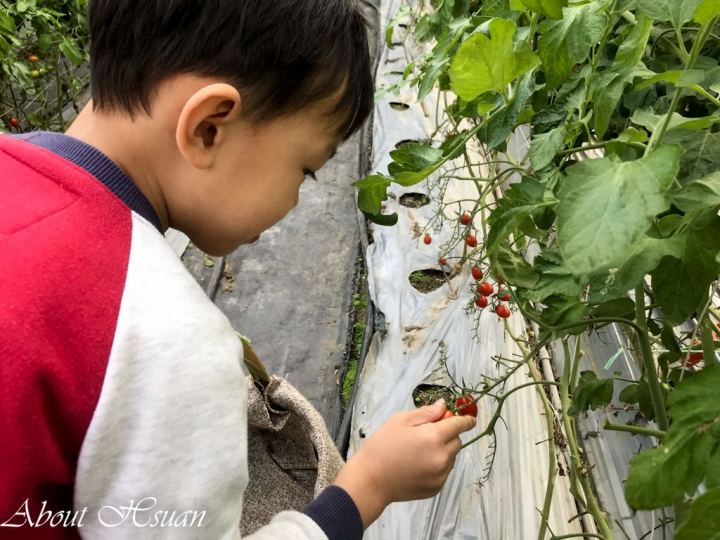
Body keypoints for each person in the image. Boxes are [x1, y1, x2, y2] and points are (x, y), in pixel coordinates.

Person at [0, 0, 476, 538]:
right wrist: (367, 486)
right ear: (208, 128)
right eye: (306, 171)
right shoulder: (166, 342)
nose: (296, 199)